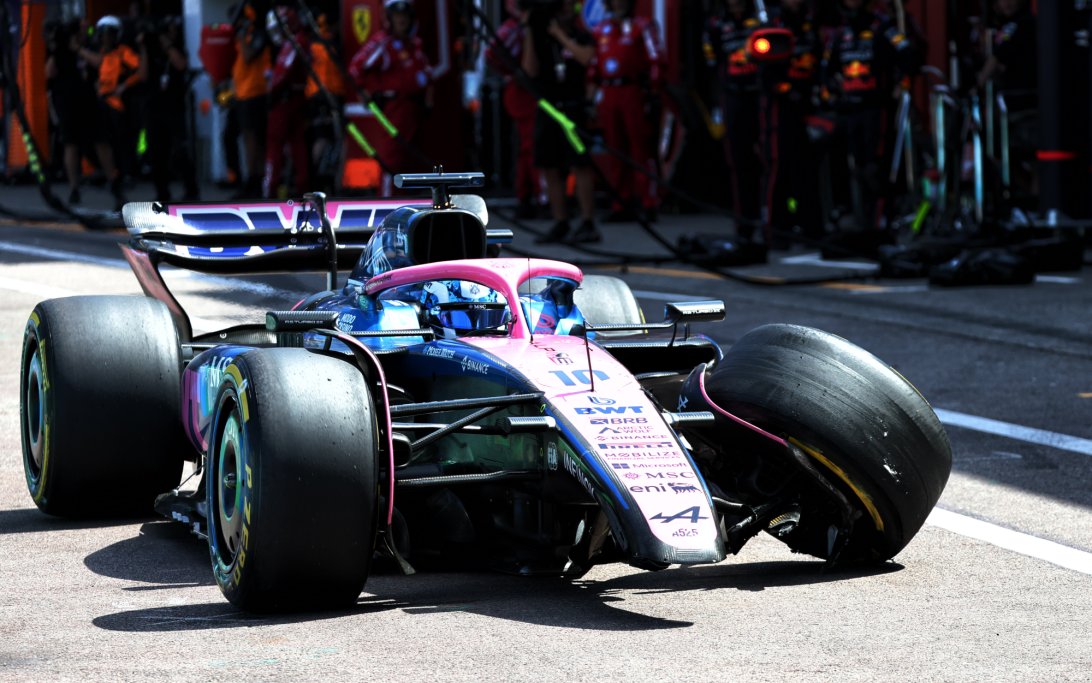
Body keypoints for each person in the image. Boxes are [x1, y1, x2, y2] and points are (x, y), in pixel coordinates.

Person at [822, 0, 918, 232]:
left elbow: (910, 54)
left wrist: (902, 85)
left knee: (876, 168)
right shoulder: (841, 34)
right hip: (850, 110)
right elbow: (826, 70)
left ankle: (880, 223)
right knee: (856, 166)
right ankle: (861, 221)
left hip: (877, 108)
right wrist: (832, 94)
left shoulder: (883, 27)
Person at [522, 0, 600, 244]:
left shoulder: (581, 35)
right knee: (549, 166)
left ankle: (588, 222)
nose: (563, 11)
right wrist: (531, 31)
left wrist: (560, 35)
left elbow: (586, 57)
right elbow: (529, 69)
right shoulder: (541, 37)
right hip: (548, 108)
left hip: (574, 108)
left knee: (581, 164)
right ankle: (561, 221)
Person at [588, 0, 664, 223]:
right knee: (614, 150)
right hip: (609, 92)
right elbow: (594, 65)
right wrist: (592, 97)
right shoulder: (602, 29)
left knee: (640, 148)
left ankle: (648, 202)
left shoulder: (643, 25)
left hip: (634, 92)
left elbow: (657, 60)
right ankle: (621, 203)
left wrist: (652, 93)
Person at [348, 0, 434, 195]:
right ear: (389, 18)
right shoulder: (382, 43)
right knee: (391, 158)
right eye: (397, 16)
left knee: (411, 159)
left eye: (405, 16)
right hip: (394, 108)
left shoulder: (415, 45)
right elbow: (355, 68)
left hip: (416, 109)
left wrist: (428, 99)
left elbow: (426, 75)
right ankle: (385, 203)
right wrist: (365, 93)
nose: (401, 20)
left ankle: (410, 204)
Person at [760, 0, 823, 242]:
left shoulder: (811, 24)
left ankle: (812, 228)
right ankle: (775, 230)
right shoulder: (773, 25)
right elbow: (766, 72)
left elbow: (822, 59)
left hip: (809, 103)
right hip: (781, 107)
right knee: (778, 167)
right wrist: (786, 90)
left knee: (808, 169)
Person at [703, 0, 763, 242]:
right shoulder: (716, 26)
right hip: (733, 99)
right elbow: (712, 64)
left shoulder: (762, 21)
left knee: (768, 160)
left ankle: (774, 221)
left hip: (761, 97)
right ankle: (744, 224)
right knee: (739, 164)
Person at [76, 15, 143, 210]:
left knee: (119, 144)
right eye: (102, 34)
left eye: (109, 34)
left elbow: (138, 70)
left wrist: (124, 86)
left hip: (116, 105)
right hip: (100, 104)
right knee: (96, 142)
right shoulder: (99, 54)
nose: (105, 38)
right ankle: (109, 175)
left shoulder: (123, 52)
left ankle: (121, 178)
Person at [485, 0, 541, 220]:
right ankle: (534, 197)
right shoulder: (512, 27)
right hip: (522, 91)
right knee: (530, 146)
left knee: (530, 147)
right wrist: (514, 73)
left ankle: (529, 196)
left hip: (533, 90)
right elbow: (490, 54)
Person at [44, 19, 100, 204]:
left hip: (89, 102)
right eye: (83, 29)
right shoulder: (60, 51)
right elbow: (48, 73)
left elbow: (99, 62)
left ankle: (111, 179)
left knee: (99, 141)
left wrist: (79, 49)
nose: (86, 31)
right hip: (67, 103)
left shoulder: (91, 46)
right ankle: (74, 187)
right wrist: (59, 49)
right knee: (70, 144)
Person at [144, 16, 198, 202]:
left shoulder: (177, 48)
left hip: (174, 107)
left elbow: (181, 64)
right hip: (154, 107)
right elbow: (143, 75)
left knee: (180, 150)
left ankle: (191, 190)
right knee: (156, 152)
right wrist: (143, 46)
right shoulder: (150, 49)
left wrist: (167, 45)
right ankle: (162, 192)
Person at [262, 6, 310, 198]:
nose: (275, 35)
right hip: (298, 100)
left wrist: (269, 95)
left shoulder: (294, 43)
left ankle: (269, 191)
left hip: (284, 103)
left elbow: (280, 77)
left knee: (275, 147)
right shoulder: (301, 41)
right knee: (299, 147)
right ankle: (303, 190)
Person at [231, 4, 271, 197]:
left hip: (256, 92)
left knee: (255, 139)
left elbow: (247, 56)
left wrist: (241, 35)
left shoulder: (259, 34)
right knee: (246, 137)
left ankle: (257, 180)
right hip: (242, 93)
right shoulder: (244, 34)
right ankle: (250, 178)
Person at [304, 13, 347, 192]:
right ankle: (327, 180)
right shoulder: (328, 42)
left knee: (322, 138)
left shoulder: (312, 40)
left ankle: (319, 178)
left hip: (317, 94)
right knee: (327, 138)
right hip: (328, 95)